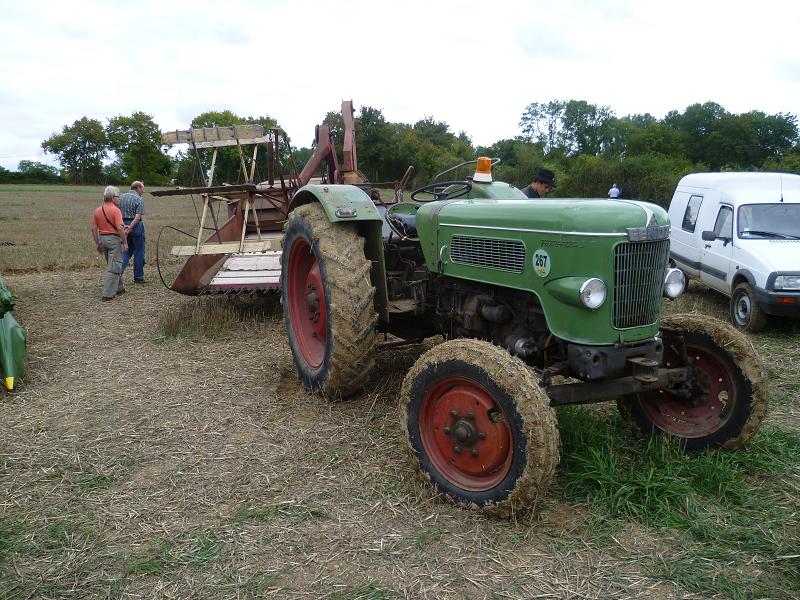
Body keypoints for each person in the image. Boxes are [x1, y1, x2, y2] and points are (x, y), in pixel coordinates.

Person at [91, 186, 128, 301]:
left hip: (102, 239)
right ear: (113, 198)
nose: (119, 199)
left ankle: (119, 288)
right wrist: (124, 241)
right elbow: (119, 228)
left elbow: (93, 228)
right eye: (118, 197)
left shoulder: (98, 210)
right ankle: (107, 294)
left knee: (112, 264)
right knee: (114, 267)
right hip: (113, 241)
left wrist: (98, 243)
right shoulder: (116, 210)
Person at [119, 181, 146, 283]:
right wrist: (130, 227)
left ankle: (118, 273)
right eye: (143, 188)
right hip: (135, 226)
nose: (143, 191)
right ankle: (138, 277)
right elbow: (138, 216)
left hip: (121, 226)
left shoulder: (120, 197)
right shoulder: (138, 199)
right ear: (138, 188)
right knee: (139, 252)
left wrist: (124, 228)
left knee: (125, 251)